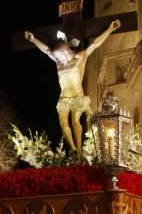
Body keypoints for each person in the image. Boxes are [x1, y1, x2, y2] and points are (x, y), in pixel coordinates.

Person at [25, 20, 121, 154]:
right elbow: (47, 51)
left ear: (67, 52)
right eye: (58, 57)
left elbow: (95, 44)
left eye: (61, 56)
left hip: (77, 97)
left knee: (75, 121)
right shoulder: (59, 62)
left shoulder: (80, 57)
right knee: (63, 124)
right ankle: (74, 150)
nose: (60, 59)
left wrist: (110, 29)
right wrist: (34, 39)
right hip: (64, 98)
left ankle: (80, 151)